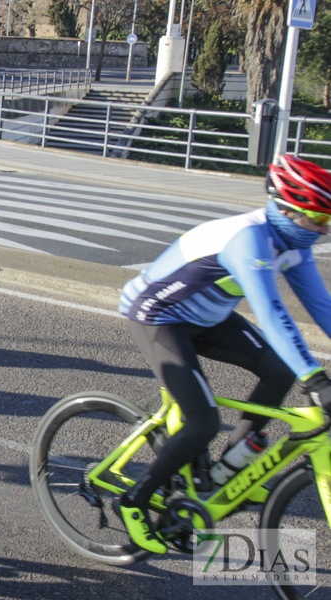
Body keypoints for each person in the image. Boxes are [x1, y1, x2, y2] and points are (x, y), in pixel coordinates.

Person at [116, 154, 331, 554]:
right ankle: (133, 500)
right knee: (202, 421)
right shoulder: (249, 239)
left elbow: (322, 307)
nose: (322, 230)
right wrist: (316, 378)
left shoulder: (293, 245)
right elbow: (271, 313)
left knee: (280, 370)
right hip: (157, 316)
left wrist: (305, 372)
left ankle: (229, 471)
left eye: (327, 220)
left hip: (206, 316)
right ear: (286, 209)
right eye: (315, 219)